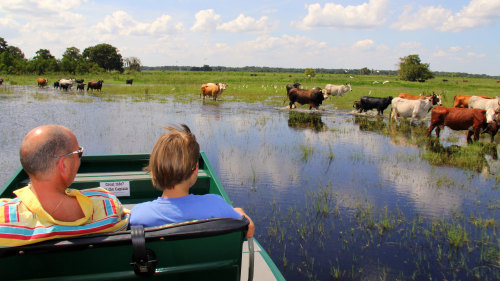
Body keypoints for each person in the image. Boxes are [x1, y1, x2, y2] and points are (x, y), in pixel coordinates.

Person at [0, 124, 129, 247]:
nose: (80, 159)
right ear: (64, 165)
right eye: (79, 153)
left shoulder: (4, 221)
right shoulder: (107, 207)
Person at [130, 124, 254, 238]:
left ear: (154, 170)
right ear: (195, 169)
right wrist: (239, 211)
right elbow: (249, 229)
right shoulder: (216, 204)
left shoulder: (138, 215)